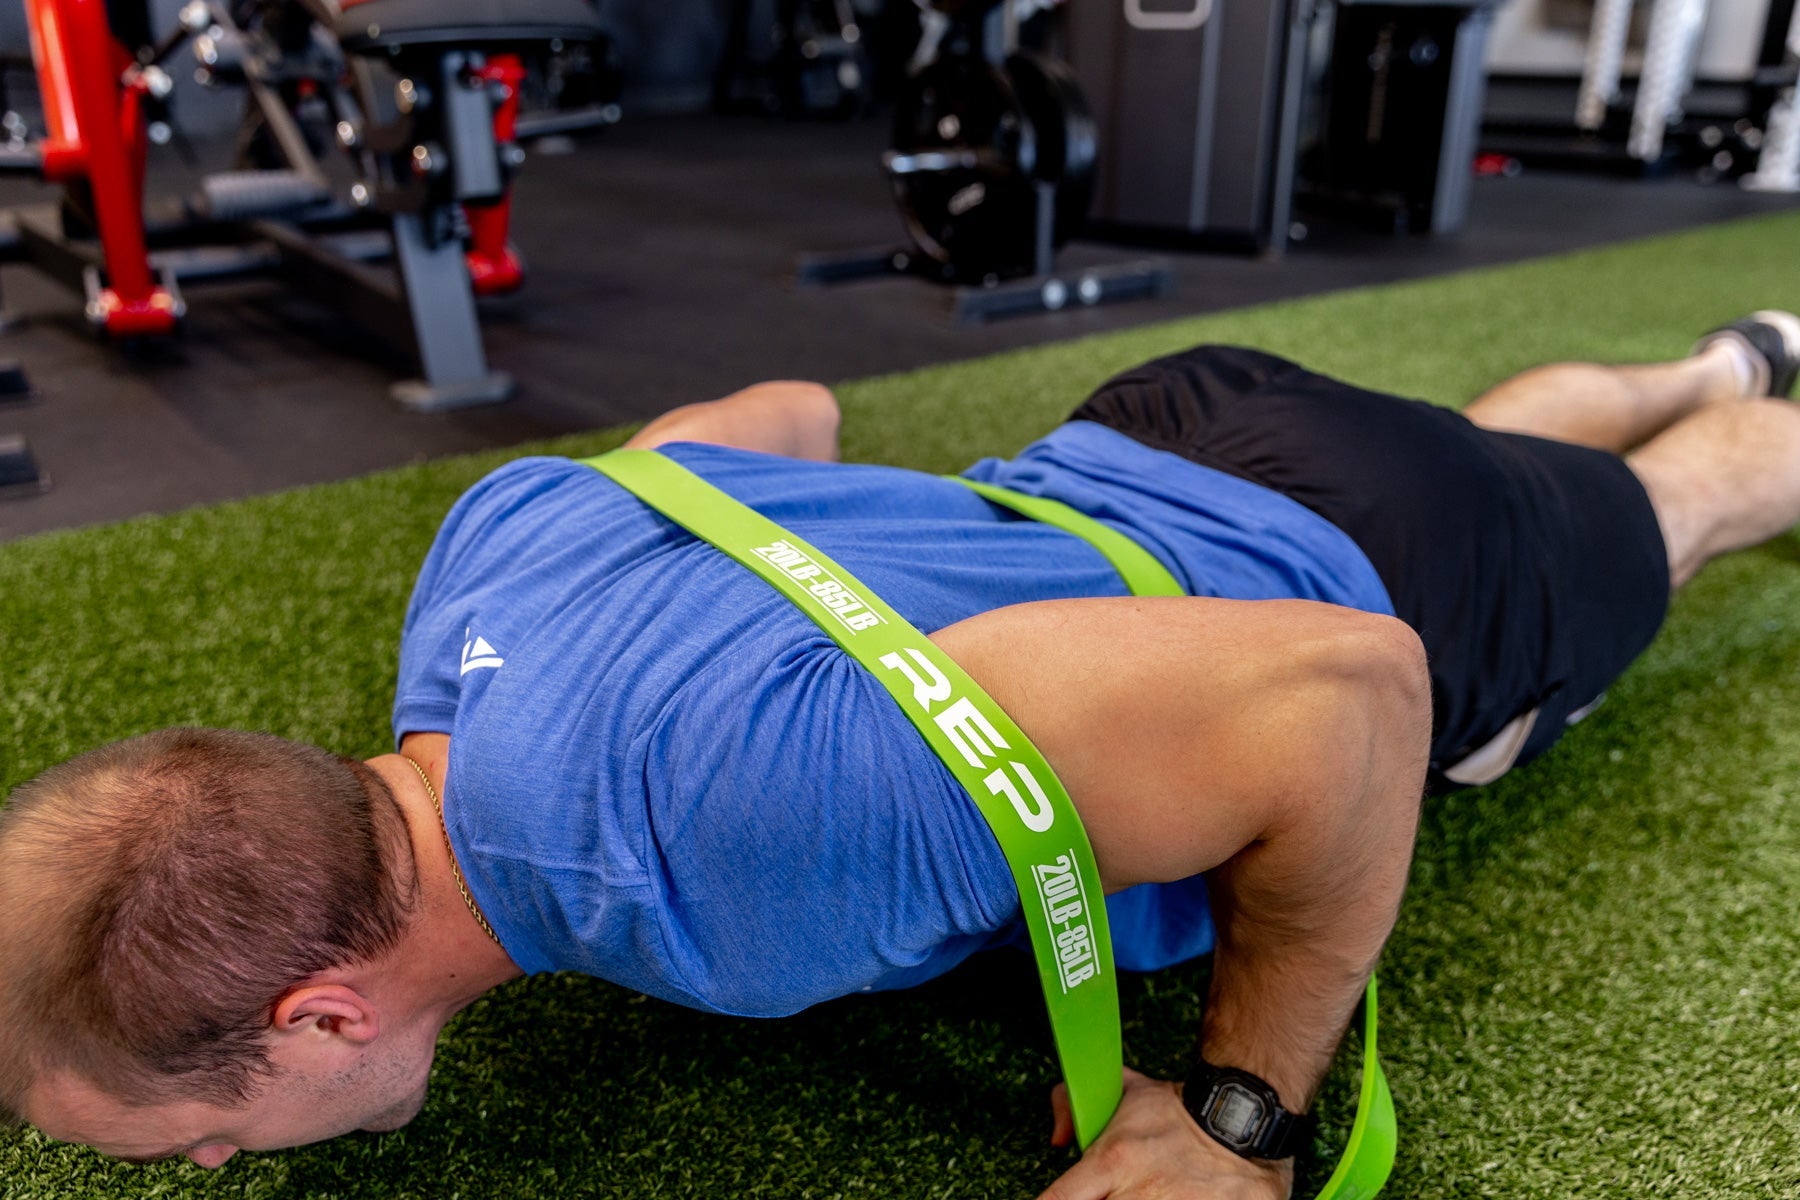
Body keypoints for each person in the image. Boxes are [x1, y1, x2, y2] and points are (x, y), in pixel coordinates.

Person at [6, 314, 1800, 1199]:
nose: (219, 1176)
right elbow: (783, 418)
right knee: (1511, 449)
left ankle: (1738, 414)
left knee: (1690, 504)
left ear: (322, 1012)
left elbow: (1352, 691)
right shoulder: (484, 563)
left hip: (1386, 573)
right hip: (1178, 423)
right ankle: (1714, 351)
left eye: (192, 1148)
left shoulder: (735, 861)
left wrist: (1243, 1117)